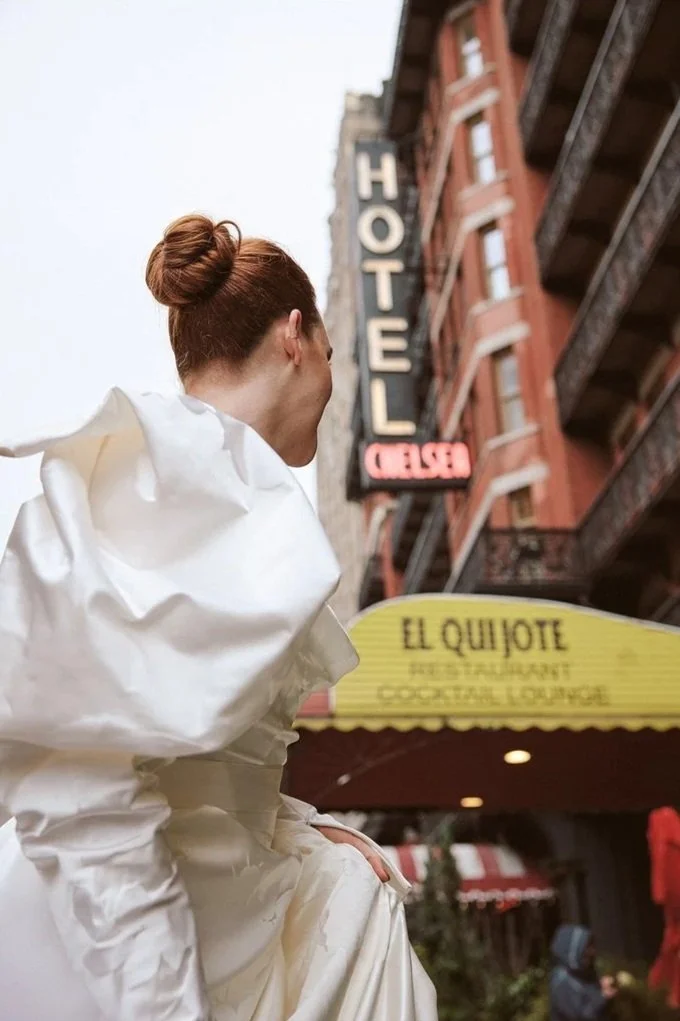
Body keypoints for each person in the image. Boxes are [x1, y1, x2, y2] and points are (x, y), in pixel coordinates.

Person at [0, 215, 437, 1021]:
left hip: (210, 911)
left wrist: (298, 828)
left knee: (357, 895)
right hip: (127, 950)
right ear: (295, 336)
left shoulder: (185, 472)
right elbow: (83, 779)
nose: (331, 382)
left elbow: (194, 747)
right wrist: (163, 1005)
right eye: (335, 357)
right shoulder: (191, 475)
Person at [550, 925, 617, 1021]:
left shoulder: (583, 972)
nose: (592, 951)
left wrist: (601, 986)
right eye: (587, 947)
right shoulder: (563, 982)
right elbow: (581, 1015)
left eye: (591, 946)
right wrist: (602, 997)